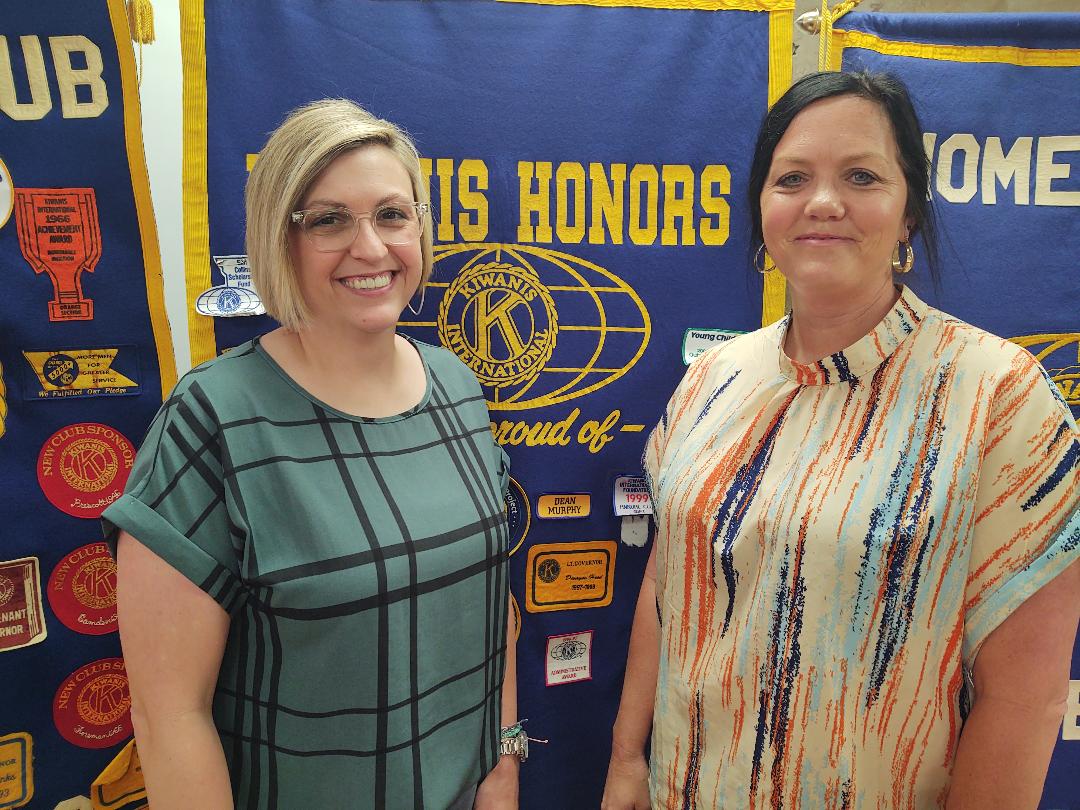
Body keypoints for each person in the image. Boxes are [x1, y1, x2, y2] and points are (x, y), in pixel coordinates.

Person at [602, 71, 1080, 809]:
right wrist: (628, 760)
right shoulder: (712, 381)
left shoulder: (999, 397)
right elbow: (669, 589)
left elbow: (1025, 700)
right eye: (792, 178)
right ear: (763, 209)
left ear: (909, 212)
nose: (823, 202)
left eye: (861, 176)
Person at [105, 99, 521, 809]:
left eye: (392, 215)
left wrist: (503, 767)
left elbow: (494, 606)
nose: (371, 248)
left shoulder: (456, 385)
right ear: (280, 238)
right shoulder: (214, 417)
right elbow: (171, 715)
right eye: (329, 220)